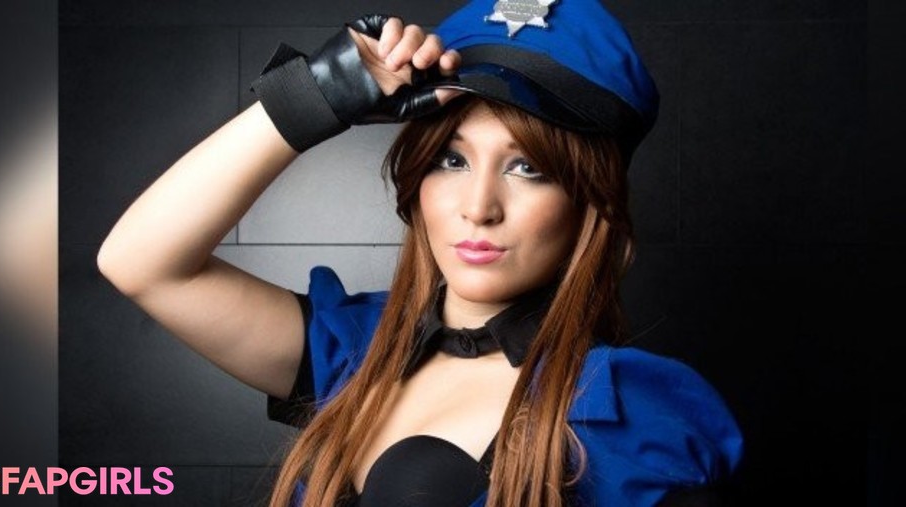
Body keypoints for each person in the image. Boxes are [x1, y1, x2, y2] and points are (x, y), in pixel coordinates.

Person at [97, 1, 742, 505]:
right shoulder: (354, 350)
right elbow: (139, 262)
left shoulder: (630, 413)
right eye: (452, 160)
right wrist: (321, 92)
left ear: (588, 202)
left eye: (528, 168)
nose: (478, 206)